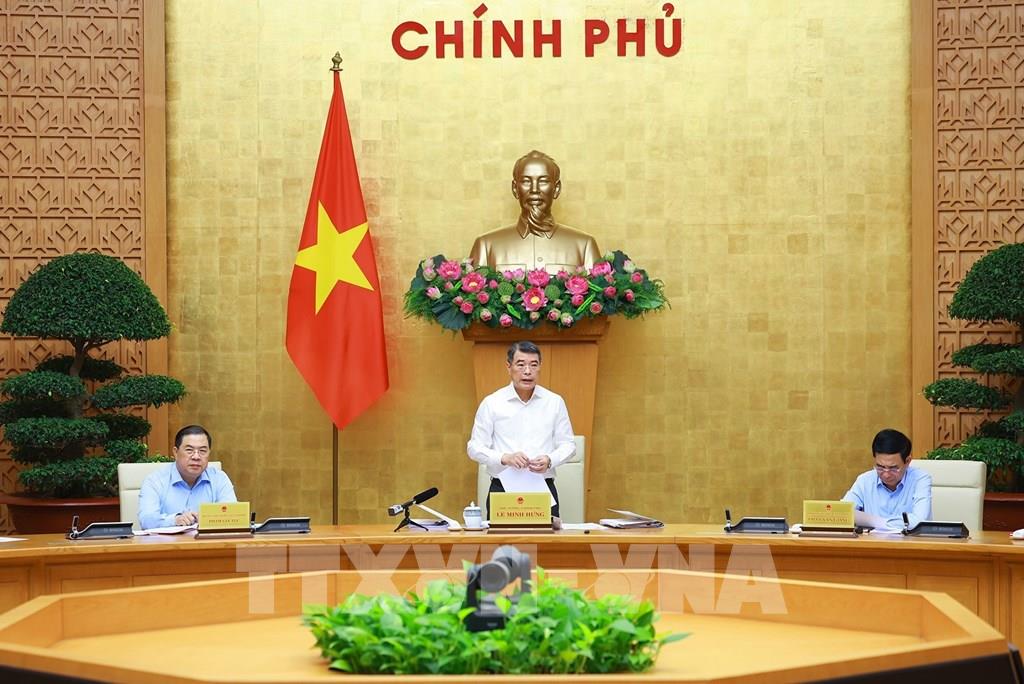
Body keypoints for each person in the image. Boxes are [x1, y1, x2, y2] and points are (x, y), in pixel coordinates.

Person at [467, 340, 576, 519]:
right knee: (500, 539)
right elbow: (474, 447)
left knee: (546, 538)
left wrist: (550, 460)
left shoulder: (554, 402)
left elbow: (569, 445)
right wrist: (505, 458)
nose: (527, 371)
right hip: (502, 489)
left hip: (543, 488)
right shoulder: (492, 403)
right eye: (520, 364)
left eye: (533, 365)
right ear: (508, 367)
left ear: (540, 367)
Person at [469, 150, 602, 274]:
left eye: (543, 181)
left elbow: (599, 290)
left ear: (556, 189)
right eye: (526, 181)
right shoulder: (486, 246)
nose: (534, 189)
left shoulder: (584, 246)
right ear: (515, 189)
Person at [138, 424, 237, 529]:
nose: (196, 457)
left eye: (202, 451)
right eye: (189, 450)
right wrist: (175, 520)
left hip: (206, 539)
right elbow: (146, 520)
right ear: (176, 452)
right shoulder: (155, 481)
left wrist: (210, 518)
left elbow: (233, 515)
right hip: (169, 540)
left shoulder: (219, 478)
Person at [842, 428, 932, 529]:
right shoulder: (865, 480)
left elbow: (919, 521)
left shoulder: (920, 479)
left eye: (893, 468)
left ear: (908, 461)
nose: (886, 475)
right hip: (873, 539)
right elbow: (842, 513)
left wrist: (875, 521)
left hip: (909, 539)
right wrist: (884, 522)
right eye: (880, 467)